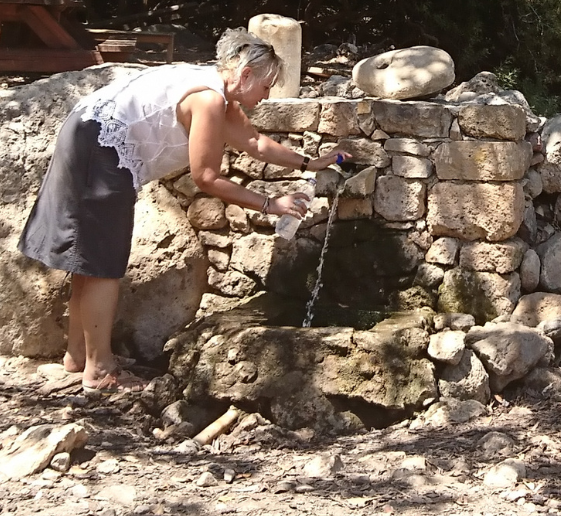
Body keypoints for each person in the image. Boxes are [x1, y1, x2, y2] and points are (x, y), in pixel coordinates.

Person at [19, 28, 344, 390]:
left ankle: (78, 356)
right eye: (266, 86)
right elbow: (206, 177)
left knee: (90, 259)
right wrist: (270, 204)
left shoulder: (215, 89)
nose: (267, 96)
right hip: (100, 147)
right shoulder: (208, 100)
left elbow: (254, 142)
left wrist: (309, 163)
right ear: (246, 74)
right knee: (104, 265)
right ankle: (100, 370)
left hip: (87, 131)